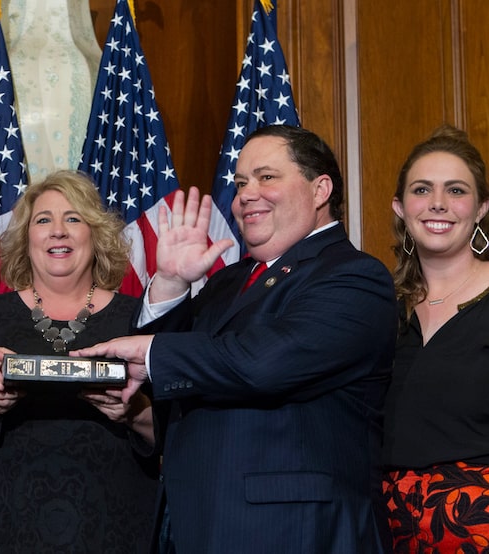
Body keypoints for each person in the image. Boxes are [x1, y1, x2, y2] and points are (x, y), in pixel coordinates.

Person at [73, 125, 398, 553]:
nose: (246, 194)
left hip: (293, 532)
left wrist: (152, 352)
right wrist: (170, 283)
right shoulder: (228, 281)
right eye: (241, 182)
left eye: (267, 177)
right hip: (195, 523)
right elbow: (169, 382)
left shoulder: (354, 276)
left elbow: (262, 363)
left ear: (320, 190)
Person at [0, 170, 160, 553]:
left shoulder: (141, 321)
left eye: (73, 218)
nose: (58, 231)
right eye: (44, 220)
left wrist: (135, 412)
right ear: (26, 237)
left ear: (96, 234)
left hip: (116, 531)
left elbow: (184, 428)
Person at [381, 125, 489, 552]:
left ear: (481, 208)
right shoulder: (382, 311)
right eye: (422, 189)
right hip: (386, 527)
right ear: (400, 207)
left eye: (456, 190)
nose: (438, 203)